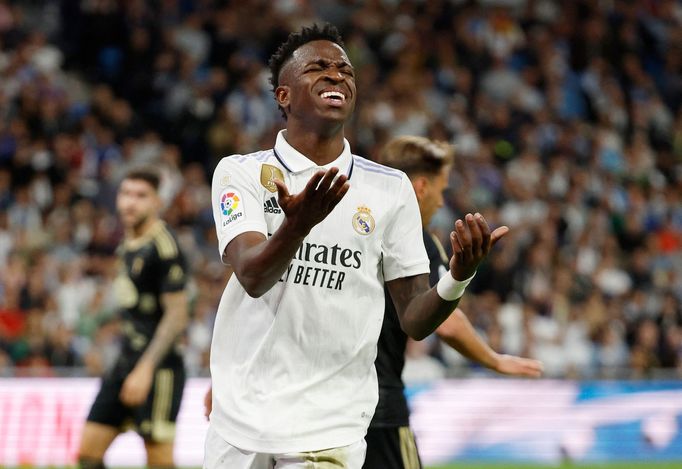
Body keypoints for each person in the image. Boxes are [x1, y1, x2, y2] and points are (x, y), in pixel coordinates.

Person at [206, 23, 508, 469]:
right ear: (283, 96)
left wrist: (459, 276)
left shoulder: (389, 188)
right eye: (318, 68)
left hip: (330, 427)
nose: (336, 75)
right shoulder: (240, 174)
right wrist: (297, 226)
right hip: (239, 422)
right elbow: (251, 276)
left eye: (344, 69)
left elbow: (414, 319)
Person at [363, 135, 544, 469]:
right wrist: (493, 360)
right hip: (380, 409)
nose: (442, 202)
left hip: (328, 407)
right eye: (441, 189)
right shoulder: (414, 238)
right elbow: (445, 320)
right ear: (420, 188)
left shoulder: (354, 228)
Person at [78, 168, 190, 469]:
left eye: (141, 196)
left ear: (157, 202)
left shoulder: (164, 246)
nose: (130, 202)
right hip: (125, 360)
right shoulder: (126, 242)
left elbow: (177, 316)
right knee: (88, 454)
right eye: (126, 194)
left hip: (158, 368)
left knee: (159, 461)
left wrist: (145, 369)